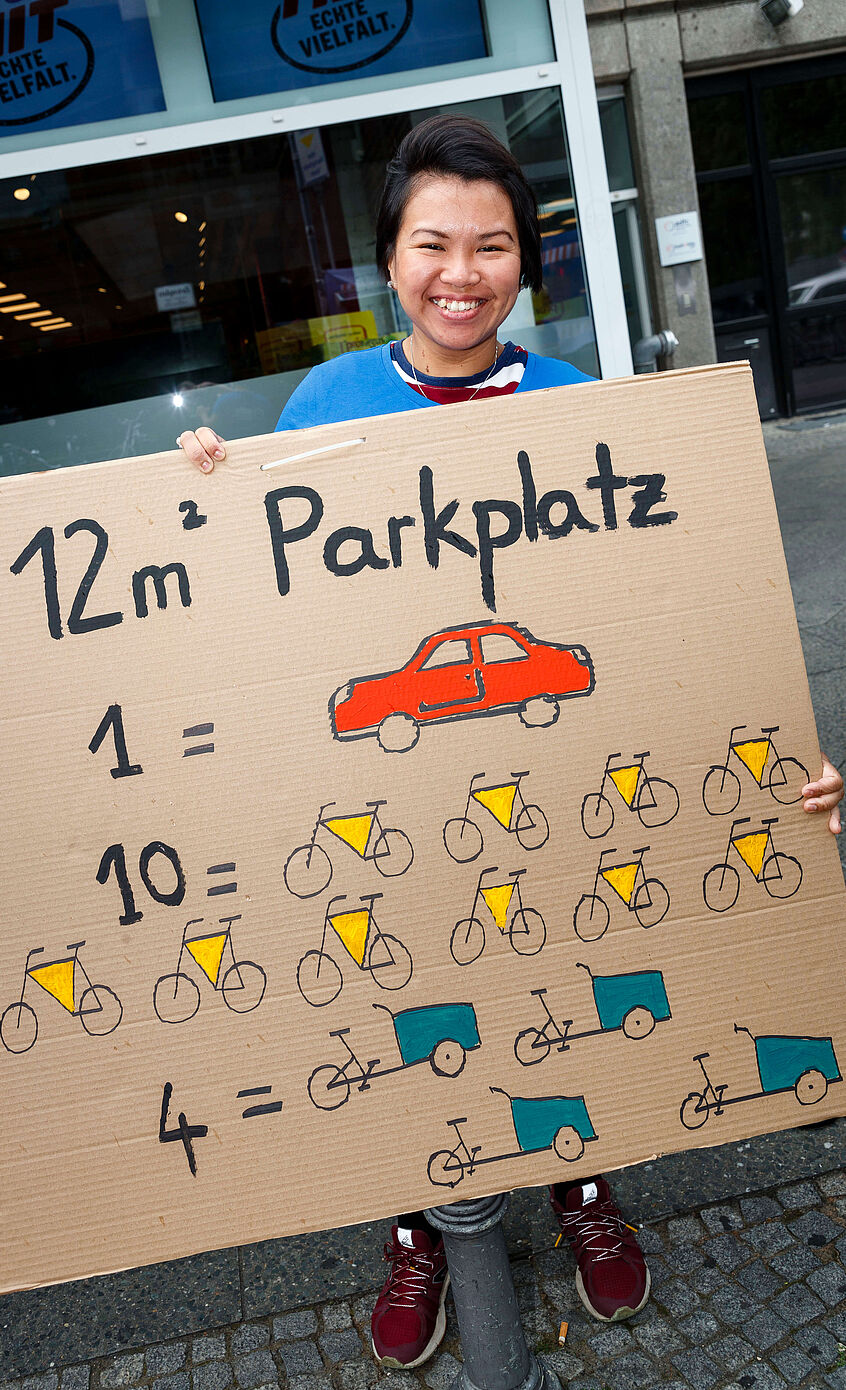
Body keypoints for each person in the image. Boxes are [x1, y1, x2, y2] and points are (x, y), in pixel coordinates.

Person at [178, 115, 845, 1369]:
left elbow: (669, 614)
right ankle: (417, 1214)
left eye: (491, 246)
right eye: (432, 243)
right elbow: (254, 612)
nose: (460, 273)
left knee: (561, 968)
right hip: (387, 795)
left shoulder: (576, 406)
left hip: (551, 781)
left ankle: (580, 1178)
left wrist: (764, 751)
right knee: (404, 995)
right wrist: (197, 488)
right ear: (388, 259)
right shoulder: (322, 405)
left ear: (524, 265)